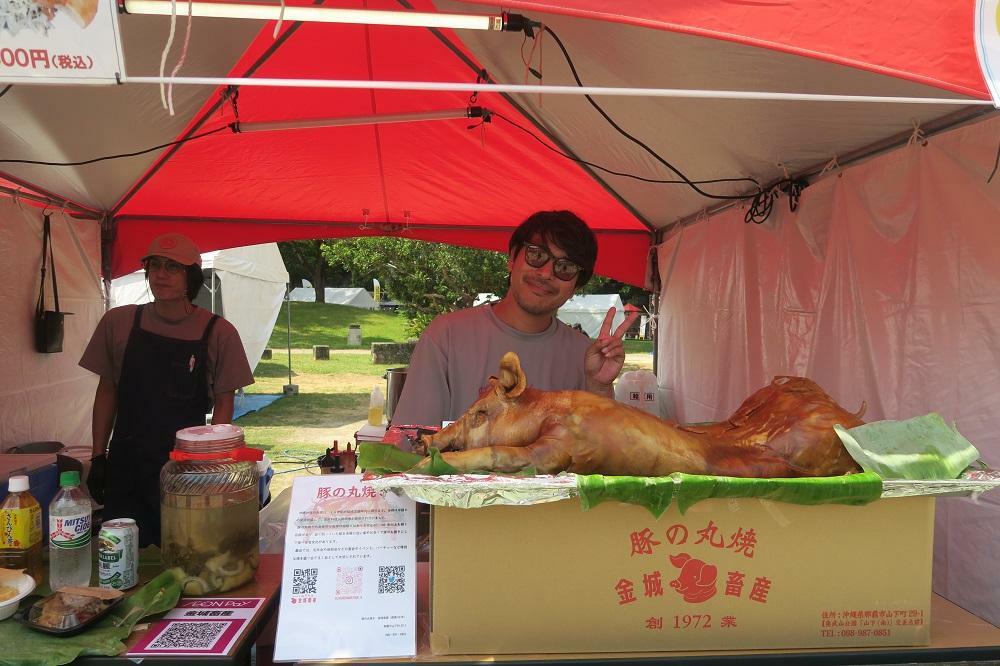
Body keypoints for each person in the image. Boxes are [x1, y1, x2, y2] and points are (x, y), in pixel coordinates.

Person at [80, 233, 254, 546]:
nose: (161, 274)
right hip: (126, 463)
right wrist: (98, 456)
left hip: (184, 468)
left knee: (185, 551)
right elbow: (107, 390)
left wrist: (211, 468)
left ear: (191, 278)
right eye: (155, 265)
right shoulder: (118, 322)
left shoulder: (218, 333)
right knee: (121, 553)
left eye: (173, 267)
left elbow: (224, 404)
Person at [390, 210, 639, 428]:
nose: (546, 273)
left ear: (576, 285)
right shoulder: (446, 335)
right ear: (512, 258)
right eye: (536, 255)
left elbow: (599, 451)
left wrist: (600, 387)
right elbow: (411, 440)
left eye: (565, 268)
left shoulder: (585, 356)